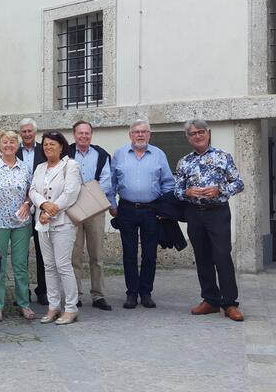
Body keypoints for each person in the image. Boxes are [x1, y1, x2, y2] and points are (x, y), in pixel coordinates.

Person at [175, 119, 245, 321]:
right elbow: (177, 190)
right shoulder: (184, 162)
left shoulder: (223, 157)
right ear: (188, 138)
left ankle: (230, 303)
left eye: (201, 132)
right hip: (194, 213)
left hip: (217, 212)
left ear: (208, 133)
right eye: (193, 133)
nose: (197, 136)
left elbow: (238, 183)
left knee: (222, 256)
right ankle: (210, 300)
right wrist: (187, 191)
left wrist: (220, 189)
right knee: (203, 257)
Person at [110, 120, 175, 309]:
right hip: (127, 209)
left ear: (149, 135)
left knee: (150, 254)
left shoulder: (158, 154)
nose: (140, 135)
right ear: (130, 135)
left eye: (144, 132)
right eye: (136, 132)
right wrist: (112, 204)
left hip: (151, 211)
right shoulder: (120, 154)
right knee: (129, 253)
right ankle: (131, 293)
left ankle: (146, 293)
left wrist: (164, 209)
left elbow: (168, 184)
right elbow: (112, 183)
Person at [0, 130, 35, 322]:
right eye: (5, 142)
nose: (9, 145)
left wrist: (27, 204)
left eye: (12, 142)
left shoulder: (26, 168)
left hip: (21, 223)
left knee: (20, 265)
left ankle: (24, 304)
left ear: (17, 146)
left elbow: (31, 192)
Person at [29, 131, 82, 325]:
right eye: (45, 145)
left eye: (52, 144)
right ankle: (53, 306)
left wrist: (51, 211)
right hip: (42, 222)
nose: (48, 147)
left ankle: (71, 308)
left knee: (63, 266)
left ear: (61, 146)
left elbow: (71, 193)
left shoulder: (71, 165)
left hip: (62, 223)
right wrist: (43, 205)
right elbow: (32, 190)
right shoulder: (40, 167)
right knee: (49, 266)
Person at [68, 120, 113, 311]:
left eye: (87, 133)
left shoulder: (101, 154)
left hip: (95, 210)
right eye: (80, 133)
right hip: (72, 210)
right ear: (74, 134)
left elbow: (106, 181)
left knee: (97, 255)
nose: (84, 136)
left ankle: (98, 295)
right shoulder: (66, 153)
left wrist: (88, 198)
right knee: (74, 255)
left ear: (91, 135)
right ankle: (75, 295)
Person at [16, 117, 48, 305]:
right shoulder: (13, 150)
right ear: (20, 133)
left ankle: (42, 290)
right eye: (24, 131)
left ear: (35, 133)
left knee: (42, 249)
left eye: (30, 131)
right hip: (19, 207)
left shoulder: (44, 150)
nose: (27, 134)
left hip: (40, 205)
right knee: (21, 253)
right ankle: (23, 291)